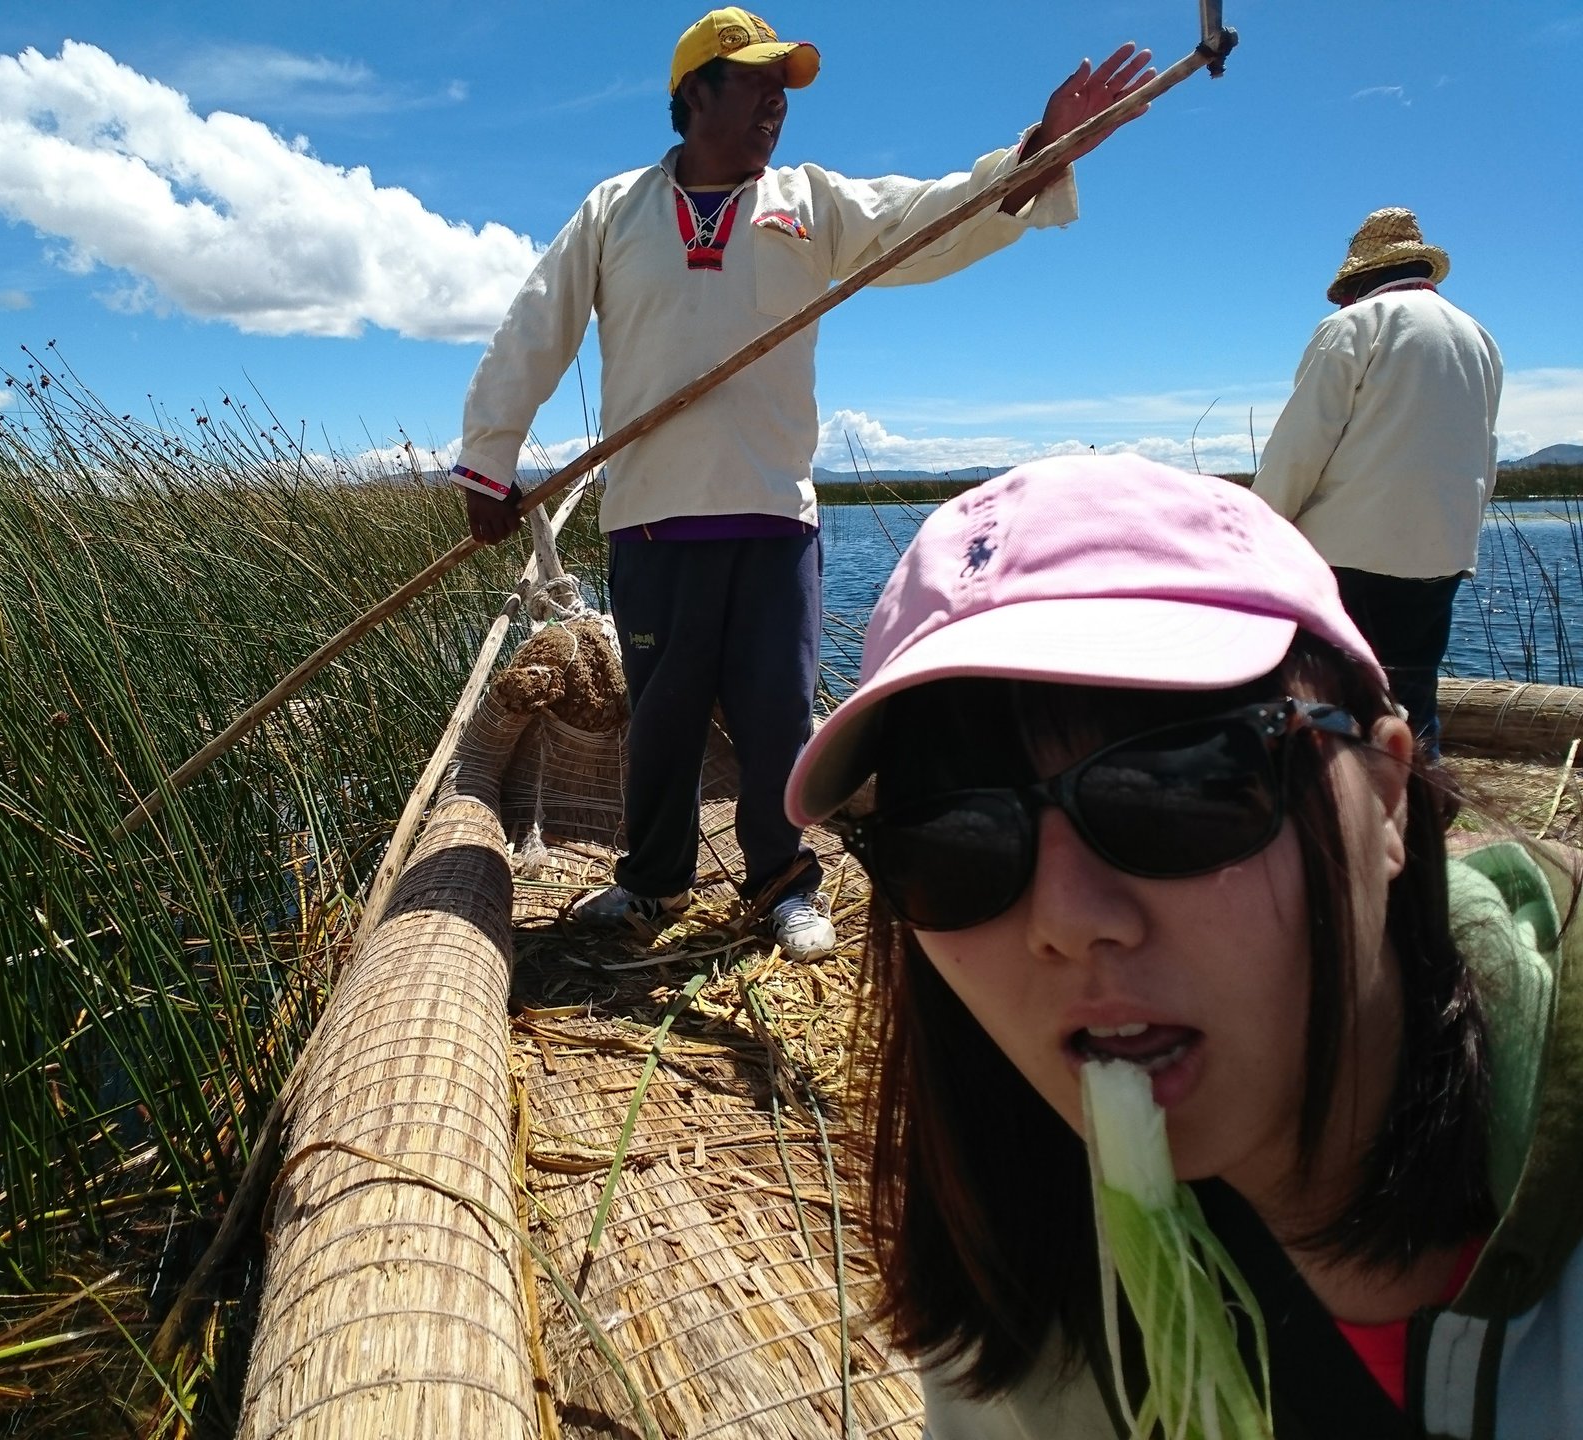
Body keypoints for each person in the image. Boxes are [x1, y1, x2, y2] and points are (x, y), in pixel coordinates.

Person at [782, 454, 1583, 1436]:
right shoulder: (1018, 1299)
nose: (1070, 920)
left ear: (1384, 794)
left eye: (1183, 789)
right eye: (954, 843)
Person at [451, 8, 1153, 960]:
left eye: (786, 85)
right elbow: (539, 324)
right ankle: (654, 883)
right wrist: (491, 459)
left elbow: (929, 218)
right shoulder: (614, 210)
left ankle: (783, 880)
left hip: (776, 515)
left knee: (780, 705)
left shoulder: (807, 203)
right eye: (755, 79)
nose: (778, 101)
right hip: (654, 522)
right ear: (693, 93)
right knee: (658, 717)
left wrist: (1037, 151)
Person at [1253, 207, 1504, 755]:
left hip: (1351, 551)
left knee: (1332, 702)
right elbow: (1484, 455)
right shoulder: (1478, 337)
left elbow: (1302, 444)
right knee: (1412, 694)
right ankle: (1418, 819)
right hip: (1441, 549)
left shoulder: (1355, 326)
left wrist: (1261, 531)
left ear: (1361, 279)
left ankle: (1344, 821)